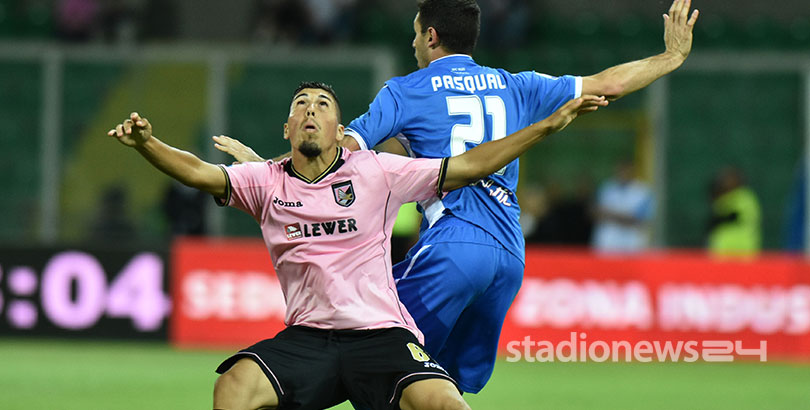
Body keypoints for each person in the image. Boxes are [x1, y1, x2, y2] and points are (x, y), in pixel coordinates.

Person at [218, 0, 699, 393]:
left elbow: (336, 152)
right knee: (442, 386)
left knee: (369, 350)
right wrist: (670, 58)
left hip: (453, 246)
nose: (412, 44)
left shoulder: (404, 91)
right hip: (509, 256)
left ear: (430, 36)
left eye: (415, 34)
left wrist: (265, 169)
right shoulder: (517, 85)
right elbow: (608, 84)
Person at [106, 82, 607, 409]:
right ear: (287, 128)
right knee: (234, 385)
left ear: (340, 131)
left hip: (381, 337)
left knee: (446, 403)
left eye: (322, 105)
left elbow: (469, 166)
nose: (310, 109)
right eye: (300, 104)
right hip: (309, 340)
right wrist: (148, 143)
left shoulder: (378, 172)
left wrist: (544, 126)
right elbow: (198, 172)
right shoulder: (264, 181)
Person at [591, 160, 654, 253]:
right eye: (621, 170)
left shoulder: (643, 191)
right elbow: (594, 213)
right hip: (608, 240)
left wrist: (610, 214)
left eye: (627, 170)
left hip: (632, 241)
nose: (623, 173)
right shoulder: (606, 188)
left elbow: (640, 219)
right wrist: (624, 216)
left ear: (633, 172)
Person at [707, 166, 761, 256]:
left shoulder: (745, 197)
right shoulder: (722, 200)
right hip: (722, 253)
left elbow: (732, 216)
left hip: (743, 252)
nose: (725, 182)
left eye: (729, 179)